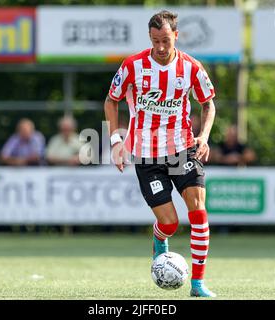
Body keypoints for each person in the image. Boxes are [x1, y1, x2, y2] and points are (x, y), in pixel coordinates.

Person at [104, 10, 216, 297]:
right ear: (150, 39)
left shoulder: (191, 68)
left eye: (166, 40)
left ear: (176, 35)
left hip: (182, 150)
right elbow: (111, 100)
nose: (161, 47)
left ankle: (198, 284)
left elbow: (208, 104)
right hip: (147, 156)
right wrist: (117, 141)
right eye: (156, 41)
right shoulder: (132, 66)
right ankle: (159, 237)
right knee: (170, 223)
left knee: (199, 211)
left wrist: (203, 136)